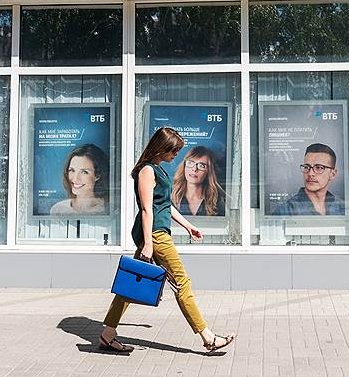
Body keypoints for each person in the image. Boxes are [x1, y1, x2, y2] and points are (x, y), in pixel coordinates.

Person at [99, 126, 235, 354]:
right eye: (174, 151)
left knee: (130, 283)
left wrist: (188, 225)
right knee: (182, 282)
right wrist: (149, 244)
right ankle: (208, 338)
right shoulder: (146, 171)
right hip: (155, 235)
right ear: (161, 148)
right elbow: (146, 209)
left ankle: (107, 335)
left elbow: (164, 205)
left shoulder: (158, 169)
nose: (176, 155)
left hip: (157, 233)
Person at [274, 143, 344, 216]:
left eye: (319, 167)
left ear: (332, 174)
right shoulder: (284, 212)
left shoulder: (342, 208)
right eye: (306, 167)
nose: (310, 173)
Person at [49, 144, 109, 215]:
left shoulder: (107, 210)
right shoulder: (58, 210)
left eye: (84, 172)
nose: (75, 178)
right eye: (72, 170)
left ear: (98, 175)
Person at [172, 146, 225, 217]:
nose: (194, 169)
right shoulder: (170, 196)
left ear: (208, 171)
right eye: (190, 163)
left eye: (201, 165)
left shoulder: (217, 200)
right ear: (184, 166)